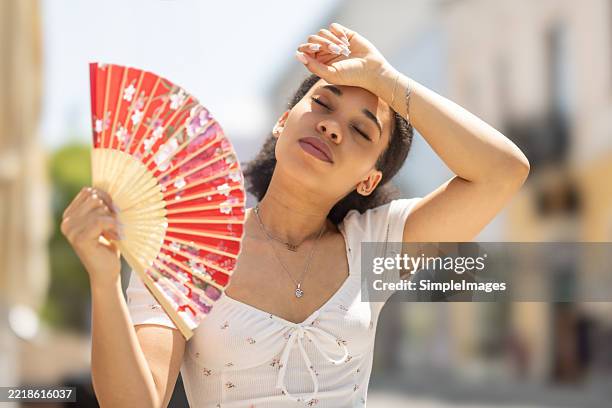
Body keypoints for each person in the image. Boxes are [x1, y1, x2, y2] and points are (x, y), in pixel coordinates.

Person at [61, 22, 529, 408]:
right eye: (322, 105)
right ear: (284, 122)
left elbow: (502, 173)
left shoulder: (374, 245)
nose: (330, 126)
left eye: (361, 132)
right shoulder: (190, 250)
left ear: (369, 179)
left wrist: (386, 79)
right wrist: (104, 281)